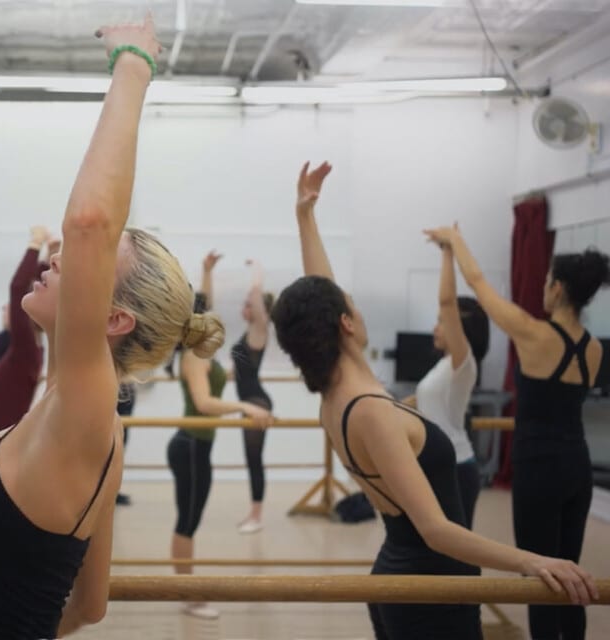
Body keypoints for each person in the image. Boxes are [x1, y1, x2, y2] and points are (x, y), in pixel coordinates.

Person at [0, 16, 224, 638]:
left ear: (112, 317)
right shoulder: (78, 410)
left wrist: (132, 61)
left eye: (87, 265)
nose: (59, 258)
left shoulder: (88, 404)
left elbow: (88, 221)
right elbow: (90, 605)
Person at [271, 162, 597, 640]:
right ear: (345, 323)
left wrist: (305, 217)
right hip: (428, 592)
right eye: (350, 306)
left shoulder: (339, 397)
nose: (354, 307)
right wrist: (534, 561)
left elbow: (319, 294)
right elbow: (436, 529)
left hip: (411, 582)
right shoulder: (370, 410)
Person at [425, 223, 608, 640]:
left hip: (538, 464)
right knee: (572, 569)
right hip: (576, 464)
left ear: (558, 289)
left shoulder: (533, 333)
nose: (543, 288)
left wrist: (455, 241)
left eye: (546, 281)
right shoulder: (594, 348)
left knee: (542, 574)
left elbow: (478, 285)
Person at [169, 251, 273, 620]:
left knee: (190, 520)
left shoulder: (200, 351)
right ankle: (188, 596)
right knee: (188, 522)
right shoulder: (194, 357)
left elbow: (204, 305)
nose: (216, 321)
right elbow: (204, 402)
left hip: (198, 446)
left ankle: (188, 593)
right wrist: (245, 407)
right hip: (191, 445)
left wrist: (207, 272)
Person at [404, 243, 490, 529]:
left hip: (457, 468)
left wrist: (447, 252)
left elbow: (446, 302)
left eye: (443, 323)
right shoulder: (444, 366)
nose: (436, 328)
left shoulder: (463, 363)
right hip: (435, 464)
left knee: (458, 557)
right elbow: (423, 401)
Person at [0, 226, 51, 435]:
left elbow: (18, 288)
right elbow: (33, 289)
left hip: (2, 442)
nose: (5, 307)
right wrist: (46, 260)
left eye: (10, 306)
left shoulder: (26, 350)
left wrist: (35, 244)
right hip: (2, 441)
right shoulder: (31, 349)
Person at [231, 259, 276, 534]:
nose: (245, 308)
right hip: (250, 400)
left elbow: (257, 294)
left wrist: (257, 267)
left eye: (249, 304)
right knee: (251, 458)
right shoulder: (249, 333)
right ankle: (253, 513)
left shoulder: (260, 328)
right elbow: (241, 371)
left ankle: (257, 517)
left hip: (257, 402)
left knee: (254, 458)